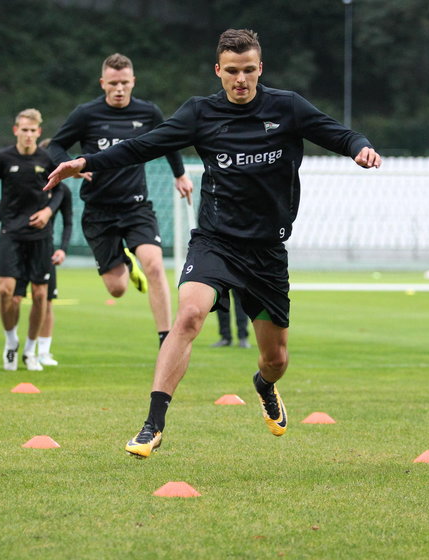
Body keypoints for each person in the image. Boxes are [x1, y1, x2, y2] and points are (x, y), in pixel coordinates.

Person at [45, 29, 382, 458]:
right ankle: (152, 425)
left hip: (266, 252)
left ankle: (264, 387)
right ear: (218, 71)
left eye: (248, 71)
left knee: (275, 359)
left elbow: (338, 133)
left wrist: (360, 147)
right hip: (215, 241)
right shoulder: (200, 113)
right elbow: (142, 147)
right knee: (187, 317)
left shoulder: (287, 107)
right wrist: (84, 162)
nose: (240, 80)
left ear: (260, 69)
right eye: (232, 72)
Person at [46, 53, 194, 348]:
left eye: (125, 83)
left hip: (136, 206)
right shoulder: (86, 115)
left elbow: (168, 140)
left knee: (154, 264)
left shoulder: (148, 112)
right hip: (99, 211)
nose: (119, 89)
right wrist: (70, 168)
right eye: (113, 83)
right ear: (103, 83)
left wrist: (180, 174)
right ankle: (126, 261)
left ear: (133, 82)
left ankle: (166, 338)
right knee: (117, 289)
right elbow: (55, 146)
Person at [0, 108, 65, 371]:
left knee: (40, 296)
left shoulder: (47, 158)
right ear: (16, 130)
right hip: (11, 234)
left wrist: (48, 211)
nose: (28, 135)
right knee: (6, 292)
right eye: (23, 130)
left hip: (40, 236)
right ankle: (11, 341)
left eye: (32, 131)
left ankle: (30, 350)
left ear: (39, 132)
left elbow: (60, 189)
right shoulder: (3, 158)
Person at [0, 176, 73, 367]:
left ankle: (40, 352)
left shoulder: (62, 191)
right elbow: (3, 206)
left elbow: (68, 221)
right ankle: (12, 342)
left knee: (45, 300)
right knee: (14, 298)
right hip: (20, 247)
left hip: (44, 249)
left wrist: (63, 248)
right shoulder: (24, 183)